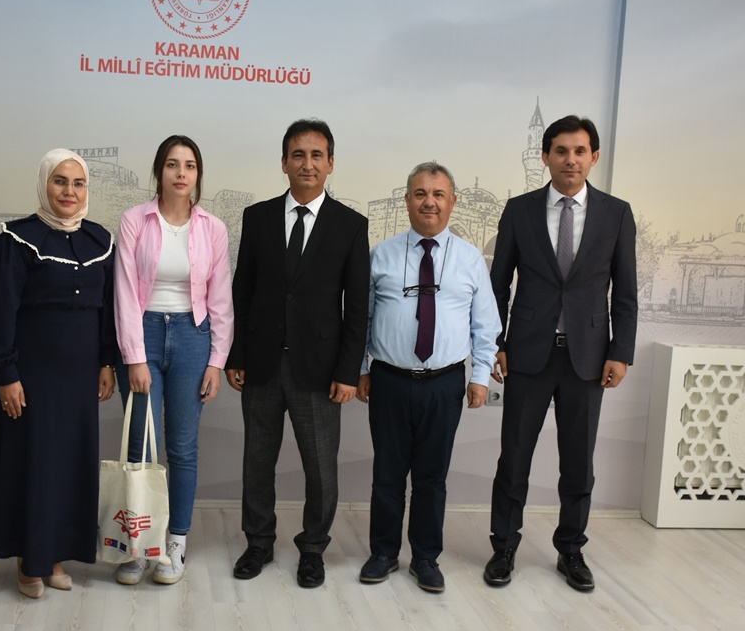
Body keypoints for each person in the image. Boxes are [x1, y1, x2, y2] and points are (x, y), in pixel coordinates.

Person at [484, 115, 637, 592]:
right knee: (514, 459)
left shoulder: (616, 213)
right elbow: (498, 285)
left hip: (587, 359)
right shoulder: (519, 210)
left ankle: (571, 549)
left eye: (580, 151)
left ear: (594, 157)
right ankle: (503, 547)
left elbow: (626, 292)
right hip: (527, 356)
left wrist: (621, 351)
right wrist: (495, 344)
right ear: (546, 156)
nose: (571, 159)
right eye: (561, 151)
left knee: (578, 464)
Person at [225, 118, 369, 589]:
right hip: (261, 363)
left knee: (321, 468)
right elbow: (242, 291)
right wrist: (236, 355)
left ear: (331, 163)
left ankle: (313, 549)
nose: (308, 164)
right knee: (257, 461)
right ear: (284, 162)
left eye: (317, 155)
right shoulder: (258, 217)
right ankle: (258, 543)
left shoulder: (351, 225)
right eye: (298, 155)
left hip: (321, 370)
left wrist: (349, 371)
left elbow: (357, 308)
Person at [0, 149, 117, 599]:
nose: (69, 191)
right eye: (59, 181)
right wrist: (7, 373)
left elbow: (108, 310)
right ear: (44, 184)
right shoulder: (16, 239)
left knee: (70, 465)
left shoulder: (100, 240)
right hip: (32, 375)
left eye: (78, 183)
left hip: (80, 376)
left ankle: (56, 556)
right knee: (35, 464)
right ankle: (30, 559)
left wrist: (107, 362)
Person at [356, 162, 500, 592]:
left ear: (452, 201)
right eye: (420, 194)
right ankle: (383, 553)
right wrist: (361, 369)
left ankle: (425, 557)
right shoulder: (381, 255)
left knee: (432, 478)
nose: (429, 202)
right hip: (389, 380)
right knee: (387, 474)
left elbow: (486, 325)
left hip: (444, 383)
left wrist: (479, 376)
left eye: (438, 194)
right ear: (407, 200)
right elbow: (361, 320)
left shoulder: (470, 259)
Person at [112, 135, 234, 585]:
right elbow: (125, 292)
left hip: (192, 336)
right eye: (172, 164)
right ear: (158, 172)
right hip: (143, 332)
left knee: (182, 448)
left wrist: (217, 360)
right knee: (141, 448)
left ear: (198, 174)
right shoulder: (134, 221)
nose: (181, 173)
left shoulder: (213, 228)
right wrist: (134, 357)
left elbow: (221, 299)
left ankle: (175, 542)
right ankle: (138, 546)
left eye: (189, 165)